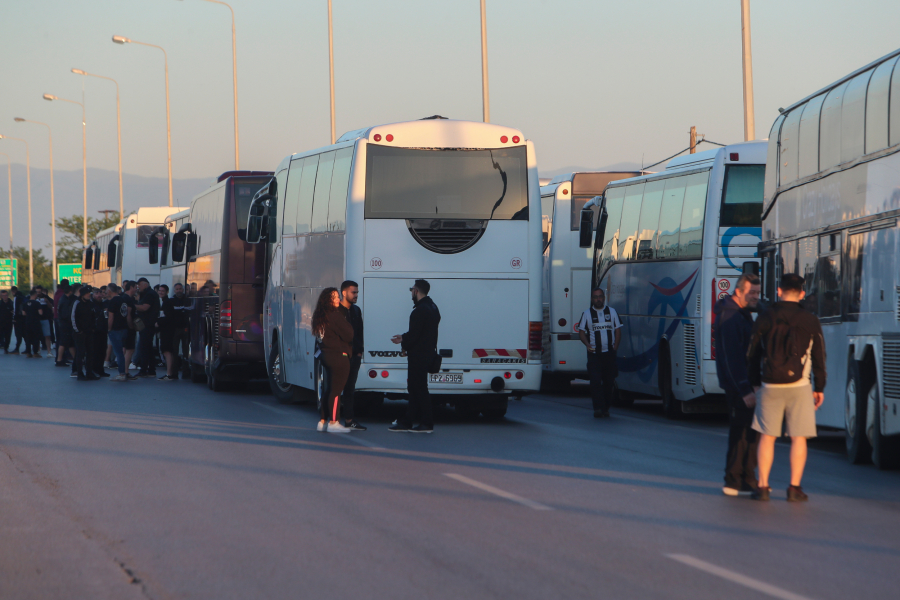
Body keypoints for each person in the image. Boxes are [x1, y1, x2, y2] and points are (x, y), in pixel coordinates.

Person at [747, 273, 827, 502]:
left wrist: (754, 383)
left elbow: (752, 354)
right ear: (802, 294)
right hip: (799, 385)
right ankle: (794, 487)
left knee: (767, 436)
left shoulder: (764, 317)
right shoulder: (810, 320)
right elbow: (820, 356)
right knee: (798, 437)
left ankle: (762, 486)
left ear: (779, 291)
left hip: (769, 385)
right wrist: (819, 387)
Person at [713, 273, 761, 496]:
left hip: (744, 385)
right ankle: (734, 478)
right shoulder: (731, 317)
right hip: (738, 387)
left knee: (749, 433)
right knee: (741, 433)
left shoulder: (740, 314)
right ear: (738, 291)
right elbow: (732, 357)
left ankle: (746, 477)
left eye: (758, 293)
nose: (755, 297)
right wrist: (744, 388)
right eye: (752, 292)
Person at [390, 279, 441, 433]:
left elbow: (415, 335)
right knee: (415, 388)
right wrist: (404, 338)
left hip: (418, 356)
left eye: (412, 289)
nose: (411, 293)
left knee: (418, 388)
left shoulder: (419, 311)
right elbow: (423, 333)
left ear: (416, 291)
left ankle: (426, 423)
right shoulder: (433, 308)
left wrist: (404, 344)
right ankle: (408, 420)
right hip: (427, 354)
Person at [312, 287, 354, 433]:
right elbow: (349, 335)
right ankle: (334, 422)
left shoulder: (320, 316)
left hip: (325, 355)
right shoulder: (335, 315)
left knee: (328, 389)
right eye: (335, 297)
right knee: (336, 391)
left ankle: (323, 421)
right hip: (338, 356)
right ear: (328, 300)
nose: (338, 299)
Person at [577, 288, 622, 418]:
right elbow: (581, 332)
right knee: (595, 382)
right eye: (595, 297)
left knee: (608, 382)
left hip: (609, 354)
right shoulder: (586, 314)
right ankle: (597, 408)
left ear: (604, 298)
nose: (598, 299)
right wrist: (587, 344)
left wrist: (615, 348)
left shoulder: (612, 312)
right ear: (592, 299)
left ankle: (606, 408)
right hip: (594, 355)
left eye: (600, 296)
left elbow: (618, 330)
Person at [339, 280, 366, 431]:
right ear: (344, 293)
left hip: (354, 356)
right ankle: (332, 419)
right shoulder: (337, 311)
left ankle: (349, 420)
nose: (356, 295)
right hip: (340, 356)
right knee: (335, 388)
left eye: (357, 292)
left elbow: (359, 332)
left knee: (350, 388)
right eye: (353, 292)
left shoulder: (356, 311)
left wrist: (359, 352)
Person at [107, 284, 133, 382]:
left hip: (116, 329)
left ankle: (121, 373)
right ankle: (123, 371)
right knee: (122, 351)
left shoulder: (112, 301)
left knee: (118, 353)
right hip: (124, 328)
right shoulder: (123, 300)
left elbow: (111, 317)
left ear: (109, 291)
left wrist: (109, 328)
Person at [71, 285, 98, 380]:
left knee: (90, 353)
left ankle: (89, 372)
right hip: (80, 333)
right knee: (80, 353)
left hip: (89, 332)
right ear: (82, 294)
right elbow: (73, 317)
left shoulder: (90, 303)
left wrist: (93, 328)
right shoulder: (77, 303)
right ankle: (79, 373)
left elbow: (94, 316)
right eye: (86, 293)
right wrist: (78, 330)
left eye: (89, 293)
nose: (88, 295)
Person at [134, 277, 159, 378]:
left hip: (147, 325)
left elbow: (145, 307)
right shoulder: (149, 294)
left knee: (144, 347)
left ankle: (144, 369)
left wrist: (133, 305)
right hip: (147, 324)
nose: (138, 287)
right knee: (148, 348)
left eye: (139, 285)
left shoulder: (150, 294)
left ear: (145, 284)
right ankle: (151, 369)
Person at [156, 284, 178, 381]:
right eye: (160, 290)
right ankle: (171, 373)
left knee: (167, 351)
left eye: (163, 291)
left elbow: (168, 317)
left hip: (167, 330)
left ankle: (169, 373)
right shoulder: (165, 302)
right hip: (167, 329)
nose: (161, 292)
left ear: (167, 292)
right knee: (168, 351)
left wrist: (158, 322)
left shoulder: (166, 303)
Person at [170, 282, 191, 378]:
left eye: (180, 289)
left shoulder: (188, 300)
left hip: (186, 329)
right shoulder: (171, 301)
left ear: (183, 290)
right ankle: (174, 373)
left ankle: (186, 372)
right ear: (174, 291)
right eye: (177, 289)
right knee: (174, 351)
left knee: (186, 352)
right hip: (175, 329)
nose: (179, 291)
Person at [91, 287, 110, 377]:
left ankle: (100, 369)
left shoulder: (104, 304)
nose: (99, 295)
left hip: (103, 330)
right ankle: (94, 369)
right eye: (96, 293)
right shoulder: (91, 304)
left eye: (100, 293)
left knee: (102, 351)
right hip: (94, 331)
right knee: (95, 350)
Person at [55, 283, 76, 367]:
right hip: (66, 324)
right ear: (70, 292)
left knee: (69, 342)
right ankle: (59, 360)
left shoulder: (62, 298)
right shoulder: (66, 300)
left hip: (64, 323)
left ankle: (76, 359)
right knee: (64, 342)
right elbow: (66, 314)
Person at [23, 288, 44, 358]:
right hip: (35, 322)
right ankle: (35, 352)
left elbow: (23, 313)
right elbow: (40, 313)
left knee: (28, 338)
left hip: (28, 322)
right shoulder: (37, 303)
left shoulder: (25, 303)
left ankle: (28, 352)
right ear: (35, 295)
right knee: (36, 337)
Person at [35, 285, 54, 357]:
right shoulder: (34, 298)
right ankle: (37, 350)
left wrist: (47, 302)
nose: (38, 293)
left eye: (39, 292)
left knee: (47, 335)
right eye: (37, 292)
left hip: (45, 318)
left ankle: (49, 352)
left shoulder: (45, 297)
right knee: (37, 336)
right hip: (36, 319)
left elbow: (51, 305)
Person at [10, 286, 27, 354]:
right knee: (24, 334)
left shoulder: (16, 298)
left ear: (13, 292)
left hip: (18, 319)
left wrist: (14, 318)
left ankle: (17, 349)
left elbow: (16, 309)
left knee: (18, 334)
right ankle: (27, 348)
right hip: (24, 318)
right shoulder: (23, 297)